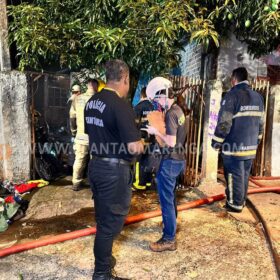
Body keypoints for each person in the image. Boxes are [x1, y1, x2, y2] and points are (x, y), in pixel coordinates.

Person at [84, 59, 143, 280]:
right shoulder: (120, 105)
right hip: (113, 171)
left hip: (96, 165)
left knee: (103, 219)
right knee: (110, 225)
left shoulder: (92, 102)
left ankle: (105, 261)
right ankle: (102, 274)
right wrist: (143, 143)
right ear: (125, 78)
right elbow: (134, 147)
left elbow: (97, 135)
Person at [142, 77, 188, 252]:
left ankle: (169, 238)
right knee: (171, 195)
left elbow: (170, 141)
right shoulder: (179, 110)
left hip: (170, 160)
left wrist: (155, 131)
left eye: (157, 99)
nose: (157, 104)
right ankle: (171, 223)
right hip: (178, 159)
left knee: (166, 200)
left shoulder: (170, 114)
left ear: (163, 95)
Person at [211, 67, 264, 213]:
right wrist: (257, 141)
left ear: (234, 79)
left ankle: (234, 204)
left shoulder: (231, 96)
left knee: (234, 176)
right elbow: (261, 124)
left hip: (234, 147)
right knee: (244, 175)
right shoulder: (258, 97)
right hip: (250, 147)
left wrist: (216, 142)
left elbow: (224, 123)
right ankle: (241, 201)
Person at [69, 78, 99, 191]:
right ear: (96, 86)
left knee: (79, 160)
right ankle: (94, 184)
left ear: (87, 86)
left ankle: (76, 183)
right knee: (95, 162)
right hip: (96, 137)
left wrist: (73, 131)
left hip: (81, 136)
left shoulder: (77, 99)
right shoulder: (100, 99)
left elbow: (72, 117)